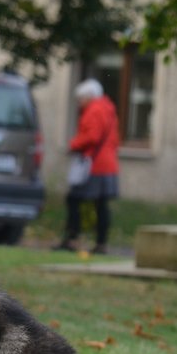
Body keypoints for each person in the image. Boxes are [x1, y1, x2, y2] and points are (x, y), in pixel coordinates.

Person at [56, 78, 120, 254]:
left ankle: (72, 238)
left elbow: (92, 136)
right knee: (101, 204)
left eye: (81, 99)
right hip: (108, 163)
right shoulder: (108, 108)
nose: (80, 103)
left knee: (74, 199)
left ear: (90, 96)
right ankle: (101, 243)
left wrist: (74, 144)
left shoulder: (94, 110)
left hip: (94, 164)